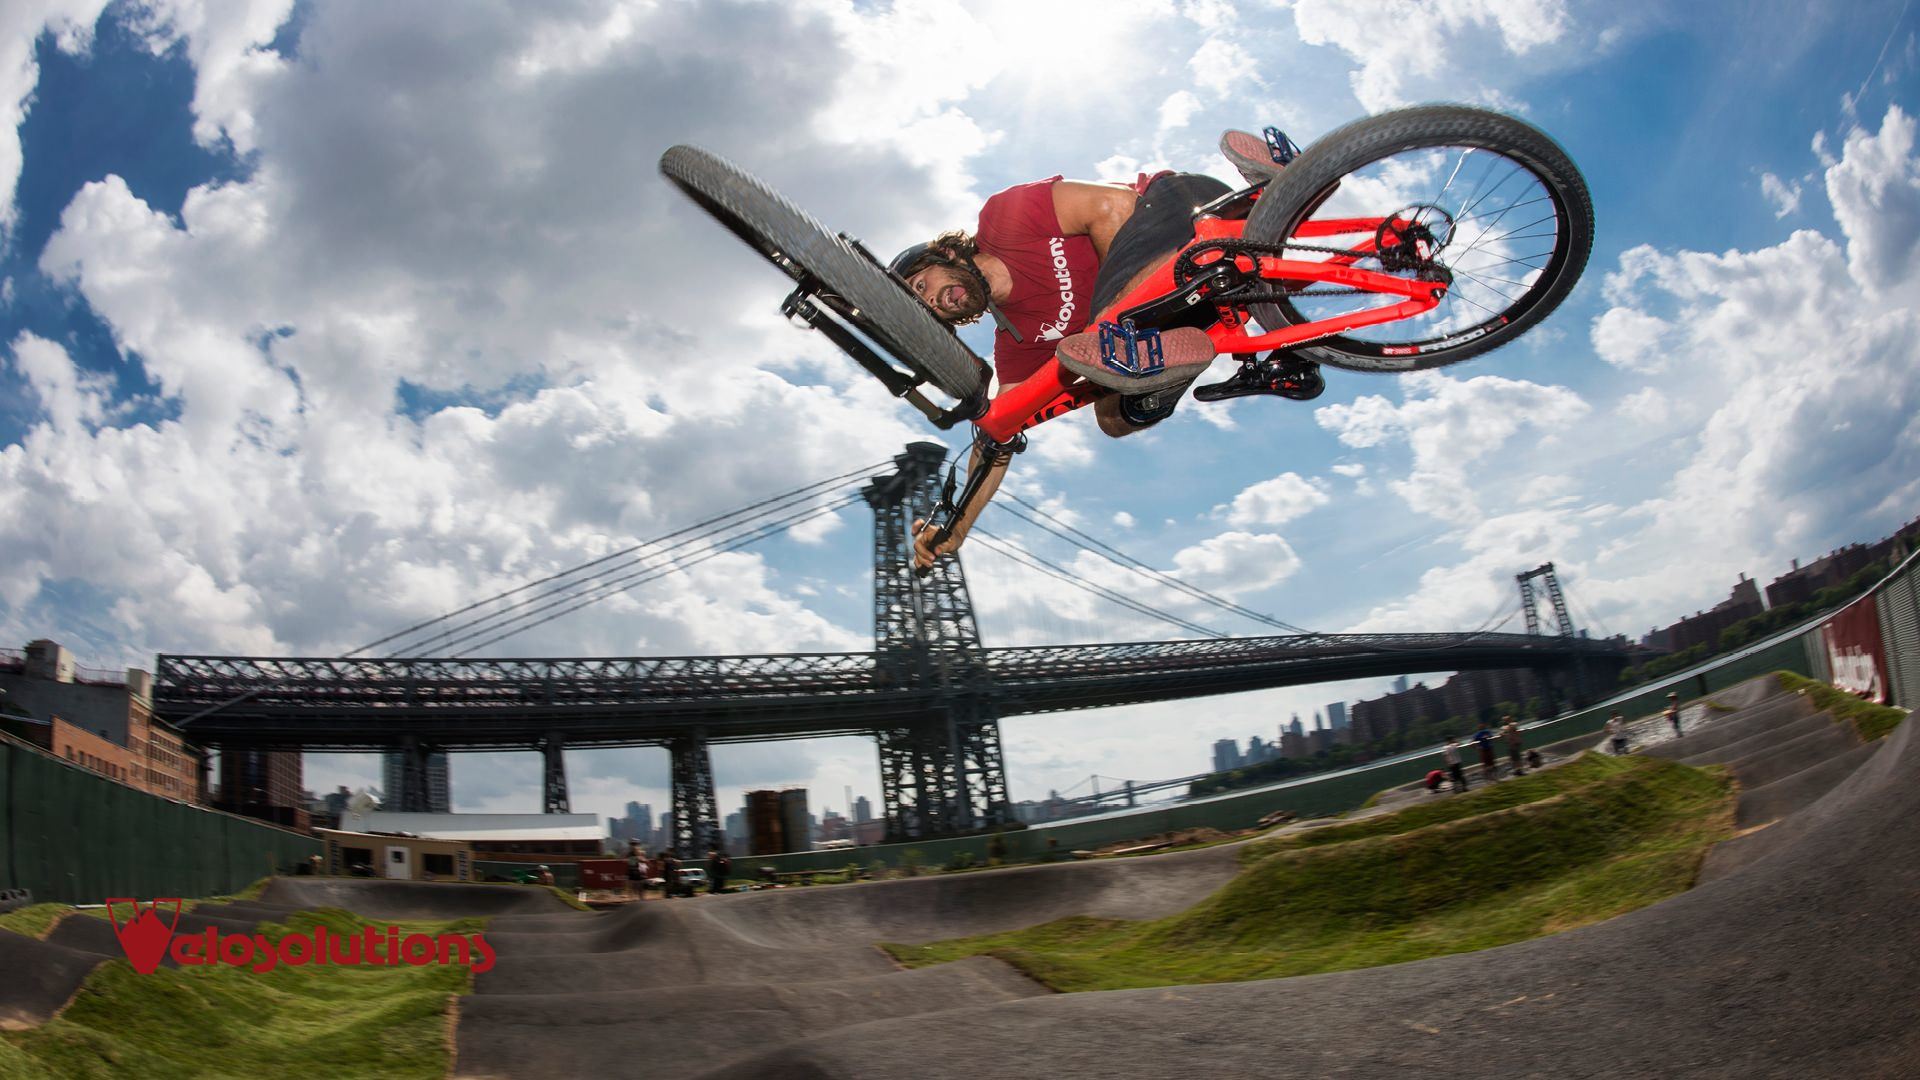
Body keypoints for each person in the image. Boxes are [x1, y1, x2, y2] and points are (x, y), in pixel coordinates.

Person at [899, 132, 1291, 571]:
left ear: (947, 253)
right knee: (1111, 417)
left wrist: (1113, 325)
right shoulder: (1017, 344)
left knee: (1108, 346)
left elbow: (1114, 207)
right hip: (1197, 306)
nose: (933, 303)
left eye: (921, 287)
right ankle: (1179, 365)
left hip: (1183, 215)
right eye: (928, 310)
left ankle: (1273, 193)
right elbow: (1000, 433)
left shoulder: (1004, 220)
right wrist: (957, 527)